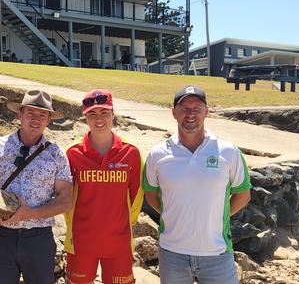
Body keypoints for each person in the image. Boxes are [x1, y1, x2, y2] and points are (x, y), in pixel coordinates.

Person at [143, 85, 251, 284]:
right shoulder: (157, 155)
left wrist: (219, 216)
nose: (190, 114)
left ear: (206, 111)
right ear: (174, 112)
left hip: (217, 252)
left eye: (197, 108)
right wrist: (174, 215)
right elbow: (151, 196)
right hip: (172, 253)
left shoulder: (229, 152)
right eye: (184, 108)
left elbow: (243, 195)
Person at [0, 89, 73, 284]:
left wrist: (28, 213)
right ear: (19, 114)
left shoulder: (56, 155)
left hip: (38, 240)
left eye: (42, 115)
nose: (36, 119)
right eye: (30, 113)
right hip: (0, 237)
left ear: (48, 120)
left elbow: (65, 200)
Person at [64, 89, 144, 284]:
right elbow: (66, 200)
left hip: (118, 243)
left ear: (113, 114)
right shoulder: (72, 154)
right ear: (85, 118)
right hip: (81, 242)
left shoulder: (131, 153)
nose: (98, 119)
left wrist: (119, 225)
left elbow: (136, 198)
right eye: (92, 114)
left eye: (104, 113)